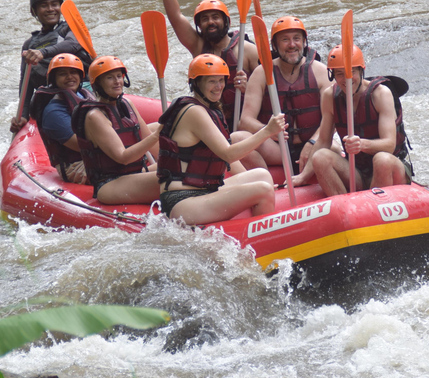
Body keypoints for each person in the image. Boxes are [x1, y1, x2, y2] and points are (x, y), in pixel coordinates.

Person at [156, 54, 286, 225]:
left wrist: (245, 188)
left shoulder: (211, 109)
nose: (218, 87)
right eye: (211, 81)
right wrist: (267, 131)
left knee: (261, 175)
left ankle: (247, 222)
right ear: (196, 83)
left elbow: (225, 160)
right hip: (183, 201)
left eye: (221, 80)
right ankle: (261, 236)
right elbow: (228, 155)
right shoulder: (194, 112)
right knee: (262, 190)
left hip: (205, 191)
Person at [156, 0, 259, 123]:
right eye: (205, 19)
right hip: (208, 122)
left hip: (242, 122)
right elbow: (175, 16)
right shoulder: (197, 45)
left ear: (226, 22)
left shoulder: (246, 50)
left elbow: (270, 90)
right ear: (199, 25)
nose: (210, 22)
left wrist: (249, 89)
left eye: (215, 17)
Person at [232, 16, 332, 184]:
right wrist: (268, 130)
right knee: (237, 138)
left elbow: (331, 120)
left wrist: (313, 142)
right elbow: (245, 121)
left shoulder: (320, 71)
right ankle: (267, 184)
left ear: (304, 41)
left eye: (296, 39)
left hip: (314, 144)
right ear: (274, 45)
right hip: (278, 149)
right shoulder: (261, 73)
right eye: (285, 40)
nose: (292, 45)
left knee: (332, 147)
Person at [306, 44, 413, 194]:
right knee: (320, 157)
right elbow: (324, 141)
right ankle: (345, 211)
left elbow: (389, 145)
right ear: (333, 76)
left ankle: (376, 209)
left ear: (361, 71)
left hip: (390, 167)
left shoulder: (381, 94)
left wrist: (361, 144)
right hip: (357, 171)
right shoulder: (330, 96)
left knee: (382, 159)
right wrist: (303, 176)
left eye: (352, 72)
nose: (346, 79)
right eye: (339, 74)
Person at [71, 56, 161, 205]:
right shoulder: (95, 116)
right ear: (98, 83)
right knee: (172, 176)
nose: (117, 81)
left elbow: (152, 144)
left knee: (184, 167)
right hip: (110, 183)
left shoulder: (127, 104)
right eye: (110, 78)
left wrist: (175, 160)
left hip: (136, 174)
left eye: (119, 76)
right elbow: (123, 157)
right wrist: (157, 135)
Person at [10, 0, 92, 134]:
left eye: (54, 4)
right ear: (34, 12)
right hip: (52, 97)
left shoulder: (70, 28)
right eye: (43, 6)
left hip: (82, 89)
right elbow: (26, 84)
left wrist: (43, 53)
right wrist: (23, 115)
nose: (50, 9)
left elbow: (73, 44)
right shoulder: (29, 45)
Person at [29, 53, 94, 184]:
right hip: (76, 166)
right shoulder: (54, 112)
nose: (69, 77)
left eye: (73, 72)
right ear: (54, 79)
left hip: (96, 156)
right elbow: (81, 146)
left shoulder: (84, 94)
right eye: (63, 74)